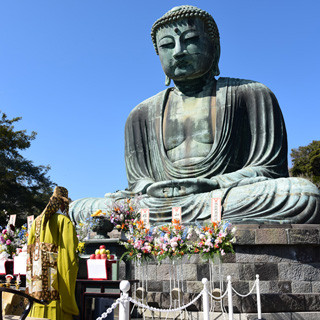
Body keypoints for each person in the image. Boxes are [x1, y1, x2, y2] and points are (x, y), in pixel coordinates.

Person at [70, 5, 320, 224]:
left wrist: (213, 184)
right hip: (160, 204)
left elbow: (268, 170)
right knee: (79, 209)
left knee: (302, 195)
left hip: (223, 196)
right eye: (167, 45)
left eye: (189, 40)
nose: (178, 51)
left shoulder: (251, 94)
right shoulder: (140, 115)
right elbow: (138, 184)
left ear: (214, 47)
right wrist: (155, 189)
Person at [26, 186, 79, 320]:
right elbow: (69, 253)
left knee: (37, 302)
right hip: (55, 276)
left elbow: (30, 250)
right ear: (63, 203)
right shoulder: (64, 221)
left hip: (37, 277)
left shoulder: (37, 221)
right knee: (56, 303)